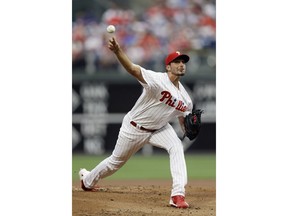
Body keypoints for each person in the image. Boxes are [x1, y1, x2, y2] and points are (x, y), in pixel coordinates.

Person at [79, 37, 193, 209]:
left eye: (183, 61)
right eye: (176, 62)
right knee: (114, 163)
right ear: (168, 66)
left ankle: (177, 195)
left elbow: (182, 118)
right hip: (134, 128)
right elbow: (133, 69)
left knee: (176, 146)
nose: (181, 64)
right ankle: (87, 181)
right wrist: (117, 51)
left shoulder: (186, 99)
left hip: (159, 128)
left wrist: (188, 127)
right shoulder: (157, 80)